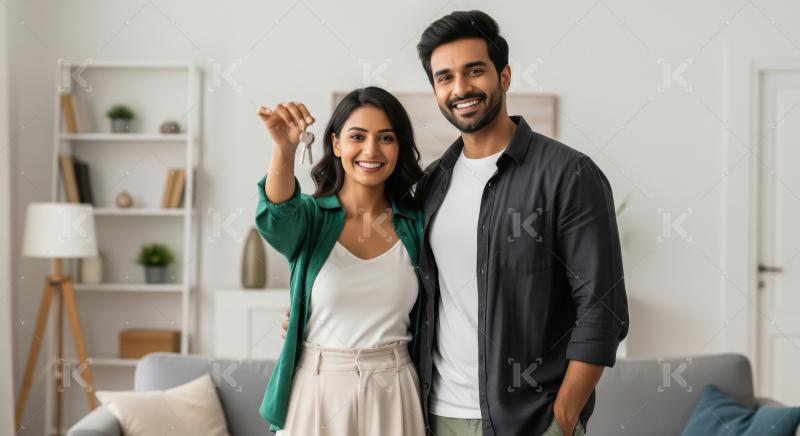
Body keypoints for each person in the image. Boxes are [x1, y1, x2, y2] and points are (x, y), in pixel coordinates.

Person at [411, 10, 630, 436]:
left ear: (504, 76)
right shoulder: (432, 184)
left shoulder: (569, 175)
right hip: (435, 416)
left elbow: (602, 311)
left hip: (531, 422)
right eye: (444, 77)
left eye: (474, 71)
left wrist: (563, 420)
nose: (460, 89)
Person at [254, 87, 427, 435]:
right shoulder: (310, 218)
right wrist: (283, 150)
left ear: (399, 147)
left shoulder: (418, 224)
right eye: (357, 137)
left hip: (395, 388)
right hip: (317, 388)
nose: (371, 150)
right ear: (336, 144)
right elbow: (277, 214)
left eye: (386, 138)